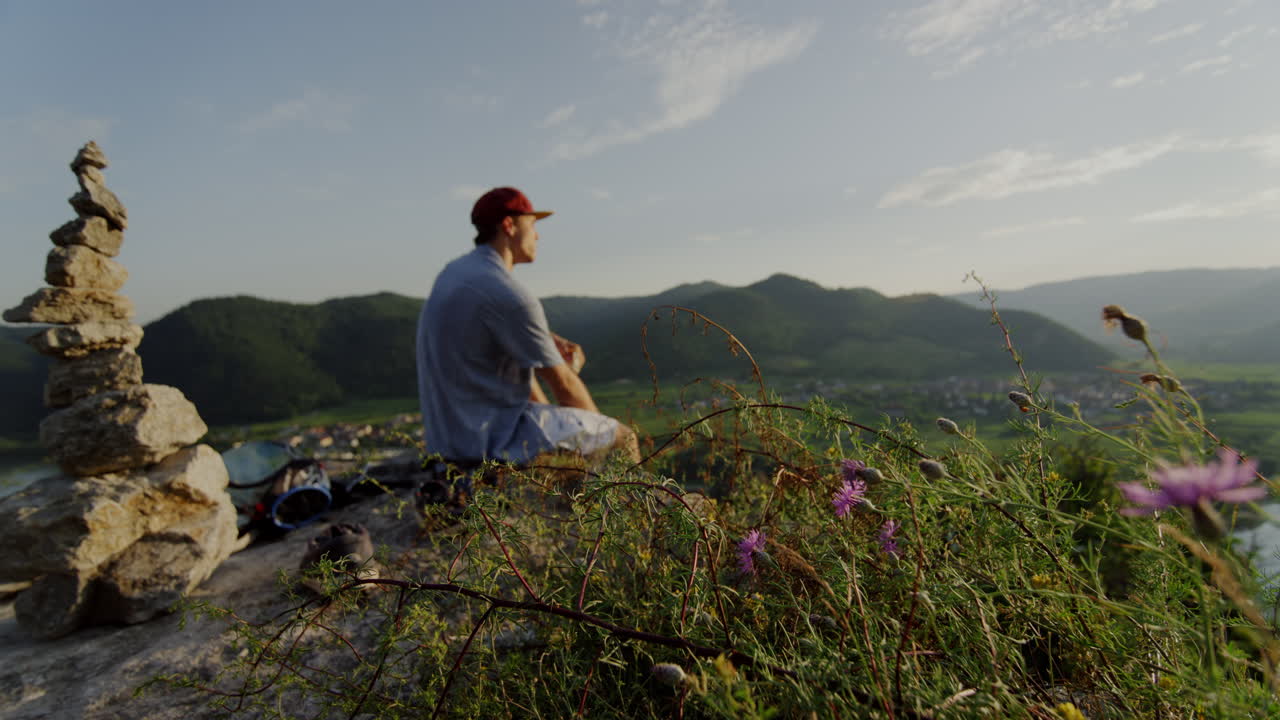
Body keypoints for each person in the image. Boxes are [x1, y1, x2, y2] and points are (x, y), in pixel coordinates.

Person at [415, 187, 640, 467]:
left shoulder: (454, 273)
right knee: (622, 438)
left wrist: (543, 344)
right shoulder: (509, 294)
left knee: (563, 432)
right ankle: (634, 507)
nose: (537, 235)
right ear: (509, 225)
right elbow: (565, 385)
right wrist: (598, 433)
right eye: (532, 225)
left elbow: (500, 357)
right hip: (491, 442)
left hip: (450, 443)